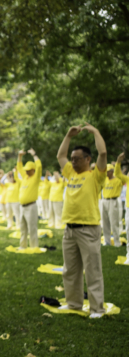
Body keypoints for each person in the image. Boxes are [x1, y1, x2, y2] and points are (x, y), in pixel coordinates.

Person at [56, 123, 107, 318]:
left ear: (88, 159)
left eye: (77, 159)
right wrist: (68, 136)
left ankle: (97, 309)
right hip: (69, 229)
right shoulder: (70, 173)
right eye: (72, 159)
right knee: (70, 270)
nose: (73, 162)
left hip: (88, 229)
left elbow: (103, 154)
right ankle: (74, 303)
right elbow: (60, 156)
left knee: (92, 270)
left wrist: (96, 132)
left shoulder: (95, 176)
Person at [17, 149, 42, 249]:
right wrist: (19, 156)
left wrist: (34, 155)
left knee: (32, 228)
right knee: (23, 228)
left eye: (28, 169)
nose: (26, 171)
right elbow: (19, 167)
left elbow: (39, 166)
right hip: (22, 207)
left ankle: (33, 247)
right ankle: (22, 246)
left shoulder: (36, 178)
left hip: (31, 206)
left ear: (33, 169)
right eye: (26, 169)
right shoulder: (25, 177)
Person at [102, 163, 124, 246]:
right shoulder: (105, 179)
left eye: (108, 171)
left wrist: (118, 166)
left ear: (112, 171)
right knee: (105, 222)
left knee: (114, 222)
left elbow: (122, 176)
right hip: (104, 200)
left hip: (113, 201)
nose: (107, 173)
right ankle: (107, 241)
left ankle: (117, 242)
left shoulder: (118, 180)